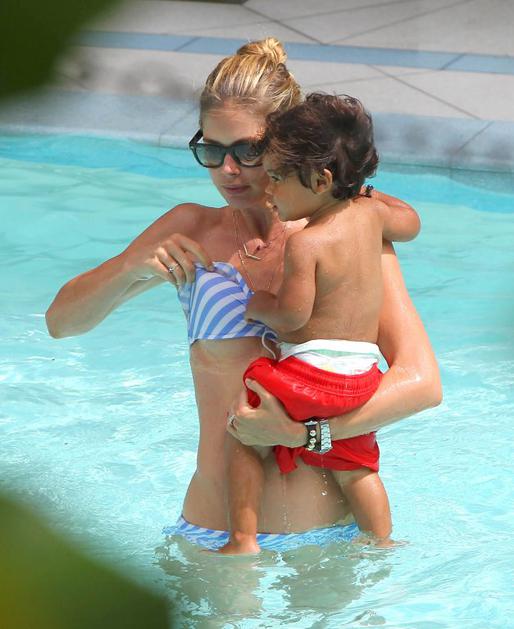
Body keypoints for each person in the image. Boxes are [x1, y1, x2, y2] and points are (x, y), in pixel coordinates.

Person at [45, 38, 441, 551]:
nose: (227, 171)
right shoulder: (191, 230)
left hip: (331, 539)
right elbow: (62, 323)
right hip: (215, 534)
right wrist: (129, 269)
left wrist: (306, 435)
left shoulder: (349, 236)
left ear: (287, 144)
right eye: (211, 150)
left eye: (248, 151)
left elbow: (422, 384)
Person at [218, 93, 416, 554]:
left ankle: (242, 539)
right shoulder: (372, 214)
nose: (268, 191)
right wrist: (366, 191)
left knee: (243, 431)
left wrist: (260, 305)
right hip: (361, 379)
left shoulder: (307, 243)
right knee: (357, 467)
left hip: (313, 375)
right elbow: (411, 223)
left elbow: (293, 316)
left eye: (277, 178)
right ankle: (383, 542)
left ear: (322, 179)